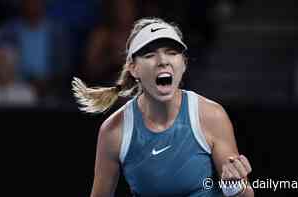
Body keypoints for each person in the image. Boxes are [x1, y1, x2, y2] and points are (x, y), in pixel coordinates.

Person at [72, 17, 254, 197]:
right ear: (133, 68)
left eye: (172, 53)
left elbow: (245, 194)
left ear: (184, 64)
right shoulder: (113, 132)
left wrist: (235, 189)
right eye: (150, 55)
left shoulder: (211, 116)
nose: (163, 61)